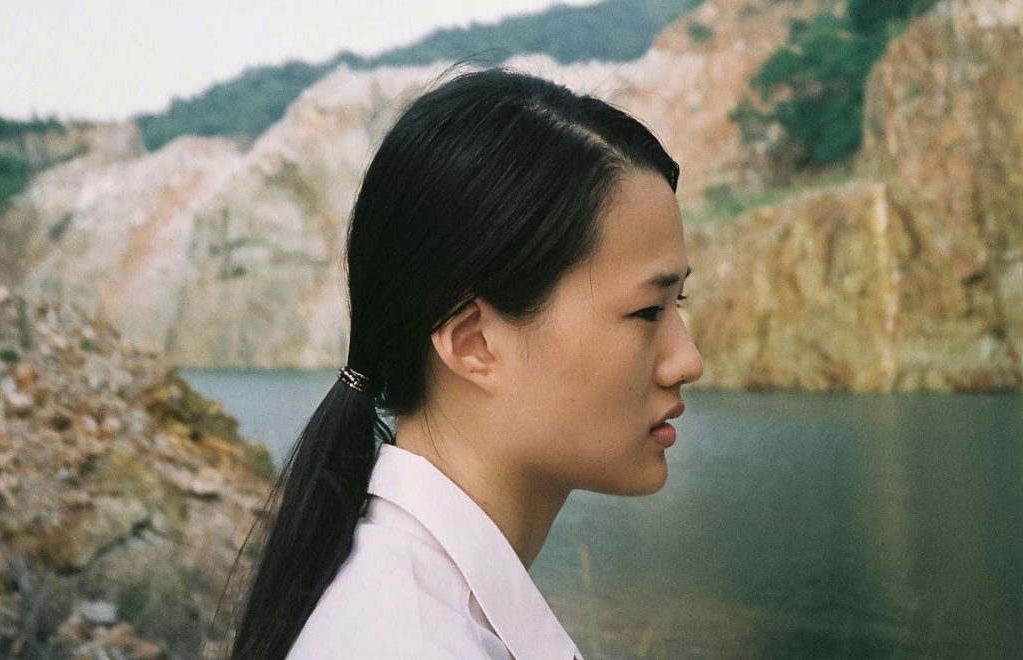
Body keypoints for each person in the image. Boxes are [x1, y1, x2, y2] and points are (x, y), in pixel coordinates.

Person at [224, 64, 703, 659]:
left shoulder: (413, 605)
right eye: (647, 312)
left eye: (677, 301)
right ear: (474, 342)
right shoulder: (414, 643)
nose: (687, 361)